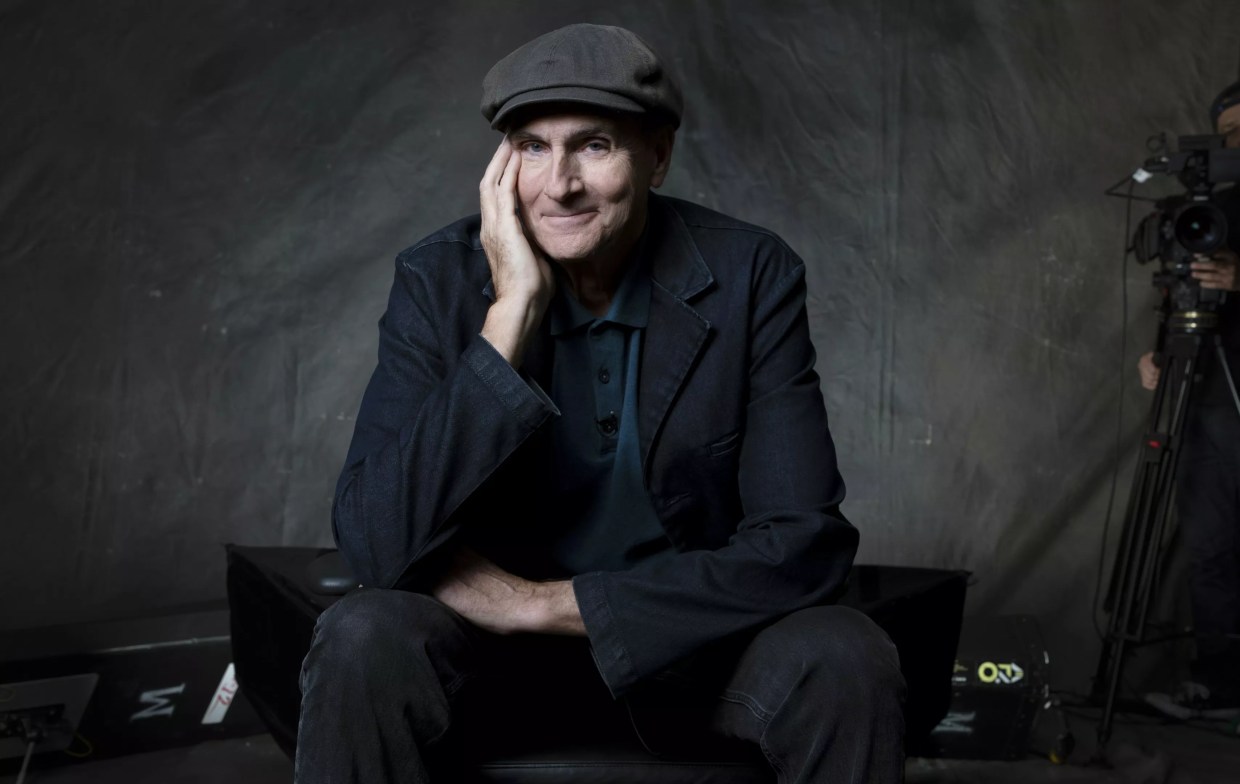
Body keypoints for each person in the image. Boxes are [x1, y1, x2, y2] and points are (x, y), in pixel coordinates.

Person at [294, 23, 904, 784]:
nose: (560, 185)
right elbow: (376, 540)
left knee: (845, 654)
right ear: (500, 165)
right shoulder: (438, 279)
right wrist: (507, 318)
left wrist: (541, 605)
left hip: (690, 652)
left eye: (594, 145)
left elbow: (805, 545)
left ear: (658, 155)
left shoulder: (751, 275)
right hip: (490, 662)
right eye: (531, 147)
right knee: (361, 635)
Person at [1139, 81, 1240, 718]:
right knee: (1210, 547)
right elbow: (1176, 294)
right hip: (1204, 402)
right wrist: (1157, 354)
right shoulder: (1198, 210)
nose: (1237, 141)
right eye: (1228, 130)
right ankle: (1222, 688)